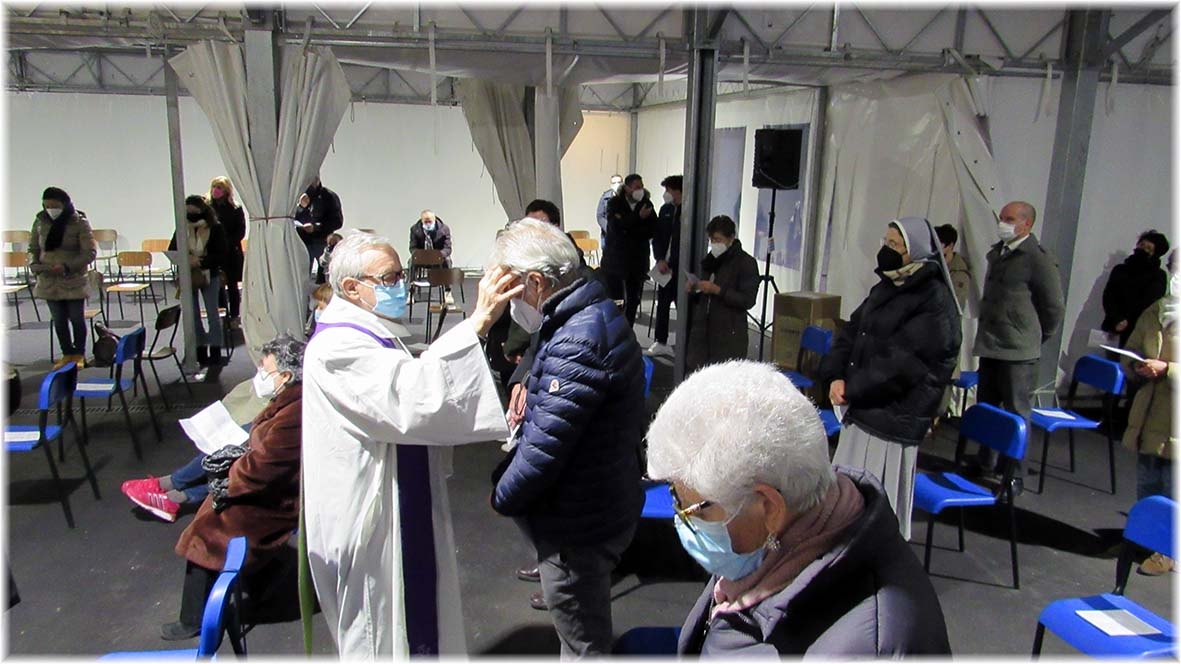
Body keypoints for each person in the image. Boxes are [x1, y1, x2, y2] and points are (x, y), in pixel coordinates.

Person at [302, 232, 520, 657]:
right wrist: (476, 323)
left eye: (400, 274)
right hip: (370, 516)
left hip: (394, 495)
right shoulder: (337, 346)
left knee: (411, 621)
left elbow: (407, 380)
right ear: (351, 287)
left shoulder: (368, 328)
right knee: (380, 634)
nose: (400, 285)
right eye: (388, 278)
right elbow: (410, 398)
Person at [646, 361, 951, 656]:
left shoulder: (864, 645)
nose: (681, 518)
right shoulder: (772, 537)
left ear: (769, 508)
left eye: (695, 510)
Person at [490, 218, 646, 657]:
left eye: (511, 290)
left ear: (536, 282)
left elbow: (544, 452)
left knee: (582, 643)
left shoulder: (577, 340)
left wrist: (501, 494)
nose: (509, 303)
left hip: (578, 524)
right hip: (600, 500)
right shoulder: (590, 311)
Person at [818, 218, 961, 540]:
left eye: (895, 245)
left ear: (916, 252)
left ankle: (876, 551)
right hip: (863, 406)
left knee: (878, 506)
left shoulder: (934, 301)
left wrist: (852, 388)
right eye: (886, 241)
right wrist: (835, 376)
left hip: (893, 418)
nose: (886, 249)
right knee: (849, 499)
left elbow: (902, 365)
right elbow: (851, 332)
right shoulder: (886, 287)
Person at [161, 334, 306, 640]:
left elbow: (264, 468)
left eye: (266, 369)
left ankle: (193, 619)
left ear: (285, 375)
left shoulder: (293, 413)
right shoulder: (289, 401)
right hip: (268, 491)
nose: (261, 374)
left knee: (204, 535)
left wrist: (229, 477)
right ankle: (266, 581)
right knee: (213, 517)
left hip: (273, 500)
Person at [972, 201, 1065, 491]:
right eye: (1002, 218)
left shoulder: (1036, 258)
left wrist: (1034, 336)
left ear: (1026, 224)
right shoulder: (999, 252)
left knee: (1016, 412)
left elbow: (1053, 306)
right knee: (987, 407)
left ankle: (1013, 471)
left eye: (1010, 219)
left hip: (1018, 349)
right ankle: (985, 460)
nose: (1003, 223)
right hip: (991, 344)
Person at [1120, 251, 1177, 575]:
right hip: (1149, 412)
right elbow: (1131, 348)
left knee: (1173, 489)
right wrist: (1135, 365)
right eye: (1174, 268)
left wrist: (1168, 369)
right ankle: (1143, 540)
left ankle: (1167, 552)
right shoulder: (1155, 310)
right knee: (1148, 483)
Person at [29, 186, 95, 368]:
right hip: (48, 281)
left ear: (64, 204)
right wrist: (34, 265)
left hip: (73, 279)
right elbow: (33, 248)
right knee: (58, 320)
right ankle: (67, 353)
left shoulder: (79, 222)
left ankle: (79, 353)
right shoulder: (40, 222)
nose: (51, 209)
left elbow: (89, 253)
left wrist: (67, 267)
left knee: (76, 318)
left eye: (55, 206)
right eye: (47, 206)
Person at [684, 215, 760, 374]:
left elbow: (748, 300)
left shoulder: (746, 263)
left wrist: (718, 290)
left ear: (731, 238)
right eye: (712, 240)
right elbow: (703, 296)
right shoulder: (710, 260)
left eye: (718, 239)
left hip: (729, 335)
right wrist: (695, 288)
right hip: (703, 332)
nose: (714, 244)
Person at [169, 195, 229, 368]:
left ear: (202, 210)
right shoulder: (182, 228)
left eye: (193, 212)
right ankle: (200, 349)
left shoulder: (215, 227)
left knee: (212, 313)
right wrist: (186, 259)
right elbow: (173, 249)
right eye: (187, 212)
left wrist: (201, 261)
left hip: (209, 274)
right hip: (188, 275)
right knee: (192, 314)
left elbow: (221, 253)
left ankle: (215, 350)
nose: (190, 215)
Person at [602, 173, 656, 325]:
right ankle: (614, 330)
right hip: (616, 259)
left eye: (641, 187)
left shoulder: (646, 204)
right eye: (636, 187)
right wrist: (638, 218)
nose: (639, 190)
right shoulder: (615, 203)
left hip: (637, 260)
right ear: (627, 188)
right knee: (616, 299)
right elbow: (616, 228)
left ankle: (628, 329)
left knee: (633, 299)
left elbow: (650, 230)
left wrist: (630, 226)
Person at [1102, 229, 1169, 348]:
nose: (1143, 249)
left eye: (1148, 248)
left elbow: (1149, 302)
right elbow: (1109, 296)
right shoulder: (1120, 269)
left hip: (1138, 332)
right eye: (1142, 245)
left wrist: (1127, 321)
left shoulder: (1158, 276)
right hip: (1114, 328)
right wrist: (1117, 318)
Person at [647, 175, 683, 357]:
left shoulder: (688, 211)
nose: (666, 194)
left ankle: (684, 343)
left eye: (668, 190)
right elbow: (658, 236)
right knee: (662, 305)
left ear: (678, 191)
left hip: (681, 268)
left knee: (683, 307)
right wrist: (659, 258)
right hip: (664, 267)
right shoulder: (666, 210)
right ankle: (660, 341)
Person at [208, 176, 246, 323]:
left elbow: (240, 231)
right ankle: (222, 316)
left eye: (219, 187)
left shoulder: (235, 208)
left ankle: (235, 316)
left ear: (226, 190)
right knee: (217, 286)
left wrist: (227, 243)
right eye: (214, 187)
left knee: (232, 286)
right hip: (214, 253)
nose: (215, 190)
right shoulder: (208, 208)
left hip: (231, 253)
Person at [295, 174, 344, 282]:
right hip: (302, 241)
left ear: (317, 179)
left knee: (324, 275)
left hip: (322, 242)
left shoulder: (329, 196)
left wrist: (316, 227)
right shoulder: (296, 195)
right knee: (301, 276)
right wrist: (300, 207)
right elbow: (288, 217)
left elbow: (337, 222)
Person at [935, 224, 971, 311]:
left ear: (950, 246)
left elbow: (955, 306)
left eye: (939, 243)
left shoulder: (959, 274)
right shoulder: (934, 262)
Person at [595, 174, 623, 251]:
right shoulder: (605, 197)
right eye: (614, 183)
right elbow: (600, 216)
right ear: (611, 185)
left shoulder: (628, 197)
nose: (617, 185)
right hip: (608, 236)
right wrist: (609, 228)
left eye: (619, 182)